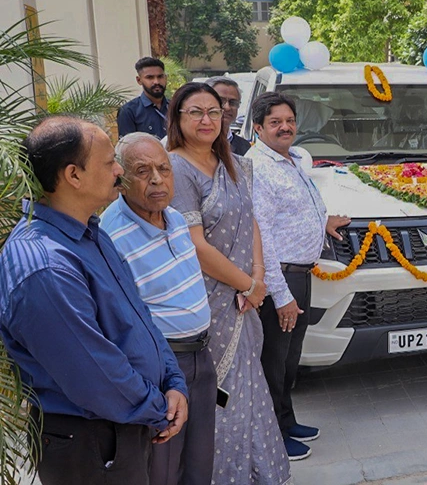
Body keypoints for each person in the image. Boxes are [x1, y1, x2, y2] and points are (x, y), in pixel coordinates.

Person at [0, 117, 188, 485]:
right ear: (73, 175)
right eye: (109, 162)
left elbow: (140, 318)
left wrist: (173, 382)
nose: (119, 170)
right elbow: (94, 373)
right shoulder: (44, 264)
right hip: (91, 441)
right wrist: (159, 407)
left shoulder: (90, 233)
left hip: (126, 423)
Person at [166, 83, 291, 483]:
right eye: (195, 112)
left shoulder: (236, 163)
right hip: (209, 302)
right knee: (220, 399)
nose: (206, 120)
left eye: (214, 112)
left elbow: (251, 219)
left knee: (251, 387)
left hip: (244, 297)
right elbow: (195, 244)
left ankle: (259, 472)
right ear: (178, 119)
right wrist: (248, 286)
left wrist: (258, 275)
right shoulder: (175, 168)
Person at [99, 133, 216, 485]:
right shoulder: (110, 235)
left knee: (199, 462)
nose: (157, 179)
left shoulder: (176, 218)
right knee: (162, 468)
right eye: (142, 170)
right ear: (120, 177)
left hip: (200, 357)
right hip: (160, 368)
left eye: (164, 169)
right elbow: (117, 322)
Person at [249, 92, 351, 461]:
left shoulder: (289, 160)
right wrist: (281, 295)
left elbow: (289, 215)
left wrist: (322, 223)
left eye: (289, 120)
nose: (285, 127)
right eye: (275, 122)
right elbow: (261, 234)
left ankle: (287, 421)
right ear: (258, 127)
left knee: (290, 359)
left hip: (300, 273)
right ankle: (273, 434)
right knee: (274, 360)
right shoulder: (258, 167)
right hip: (280, 277)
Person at [118, 57, 169, 138]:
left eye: (160, 76)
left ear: (165, 78)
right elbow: (127, 147)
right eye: (150, 77)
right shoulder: (129, 111)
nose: (156, 82)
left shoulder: (175, 106)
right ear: (139, 80)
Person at [207, 76, 250, 156]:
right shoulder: (193, 142)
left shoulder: (244, 147)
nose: (227, 107)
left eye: (233, 102)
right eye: (220, 101)